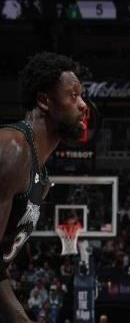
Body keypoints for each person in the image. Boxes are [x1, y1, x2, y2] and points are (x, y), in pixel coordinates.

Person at [0, 52, 88, 323]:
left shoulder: (42, 179)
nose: (83, 105)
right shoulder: (12, 148)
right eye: (73, 95)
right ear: (44, 101)